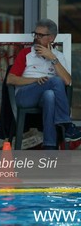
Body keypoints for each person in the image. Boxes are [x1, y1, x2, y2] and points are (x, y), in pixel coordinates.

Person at [6, 18, 81, 149]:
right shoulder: (26, 53)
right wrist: (34, 80)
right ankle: (67, 126)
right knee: (55, 81)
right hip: (25, 95)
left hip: (44, 96)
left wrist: (52, 58)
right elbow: (10, 79)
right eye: (35, 34)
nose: (36, 38)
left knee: (50, 96)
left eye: (41, 35)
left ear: (51, 38)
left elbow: (68, 81)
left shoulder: (58, 56)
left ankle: (49, 147)